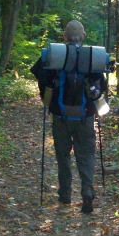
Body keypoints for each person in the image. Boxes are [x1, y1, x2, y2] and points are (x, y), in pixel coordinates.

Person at [30, 20, 108, 213]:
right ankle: (87, 191)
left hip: (60, 117)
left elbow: (40, 77)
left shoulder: (56, 56)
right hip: (86, 118)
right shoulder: (93, 57)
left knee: (63, 155)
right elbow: (103, 87)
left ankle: (65, 194)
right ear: (84, 36)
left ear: (65, 36)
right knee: (86, 154)